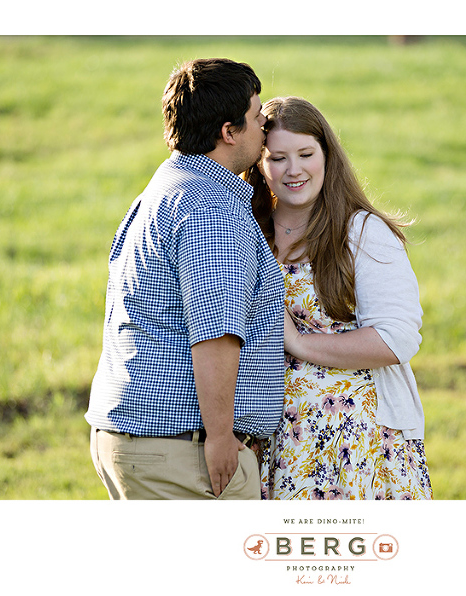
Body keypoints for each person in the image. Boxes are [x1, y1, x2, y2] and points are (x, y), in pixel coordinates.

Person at [85, 58, 285, 500]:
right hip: (184, 452)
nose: (264, 131)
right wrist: (218, 437)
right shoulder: (211, 210)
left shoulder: (168, 186)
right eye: (256, 119)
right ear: (229, 132)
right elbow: (216, 331)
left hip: (143, 440)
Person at [245, 97, 432, 500]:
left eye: (306, 154)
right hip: (272, 445)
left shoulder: (363, 232)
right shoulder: (247, 231)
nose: (293, 170)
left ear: (328, 155)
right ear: (260, 165)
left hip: (358, 447)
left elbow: (396, 339)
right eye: (278, 158)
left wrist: (299, 343)